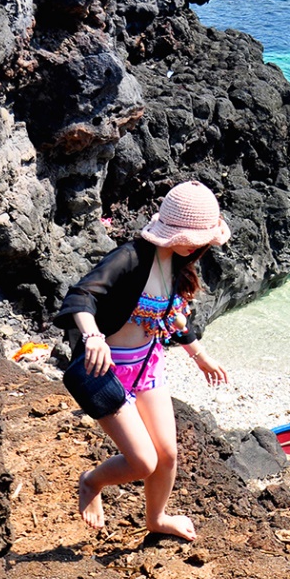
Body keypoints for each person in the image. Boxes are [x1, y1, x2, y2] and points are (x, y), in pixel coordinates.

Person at [56, 181, 231, 541]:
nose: (201, 246)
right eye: (197, 238)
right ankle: (91, 482)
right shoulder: (131, 258)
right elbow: (82, 295)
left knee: (167, 454)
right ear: (175, 232)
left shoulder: (178, 262)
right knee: (142, 461)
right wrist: (92, 337)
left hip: (148, 365)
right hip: (108, 371)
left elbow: (173, 317)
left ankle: (157, 517)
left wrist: (200, 357)